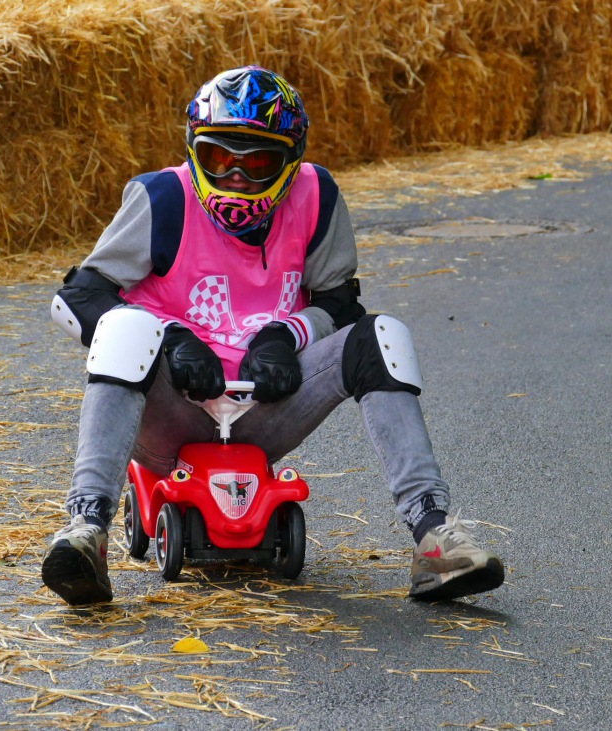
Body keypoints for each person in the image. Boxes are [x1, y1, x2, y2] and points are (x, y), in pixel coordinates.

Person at [42, 65, 505, 605]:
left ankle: (432, 536)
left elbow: (340, 302)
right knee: (122, 327)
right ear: (196, 150)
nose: (236, 177)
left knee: (383, 335)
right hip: (170, 409)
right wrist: (171, 336)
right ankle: (87, 529)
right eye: (220, 158)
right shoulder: (163, 198)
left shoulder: (316, 195)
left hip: (267, 404)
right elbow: (75, 299)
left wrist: (286, 334)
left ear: (290, 161)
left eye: (256, 161)